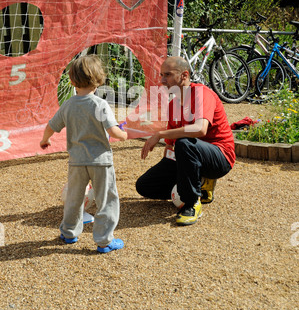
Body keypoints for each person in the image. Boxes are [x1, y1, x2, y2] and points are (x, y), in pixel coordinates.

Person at [40, 55, 127, 253]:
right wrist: (124, 134)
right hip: (101, 162)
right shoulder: (100, 105)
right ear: (99, 80)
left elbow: (51, 126)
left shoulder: (68, 105)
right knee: (107, 199)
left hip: (77, 161)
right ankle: (104, 241)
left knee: (74, 198)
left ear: (71, 81)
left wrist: (45, 140)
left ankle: (69, 233)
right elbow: (114, 131)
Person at [136, 56, 235, 226]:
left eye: (167, 75)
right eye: (161, 75)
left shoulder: (202, 93)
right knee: (144, 186)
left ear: (184, 75)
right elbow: (170, 145)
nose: (162, 80)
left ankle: (192, 203)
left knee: (184, 142)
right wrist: (166, 167)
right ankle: (196, 185)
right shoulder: (173, 104)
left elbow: (200, 129)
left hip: (220, 157)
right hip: (189, 154)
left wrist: (159, 133)